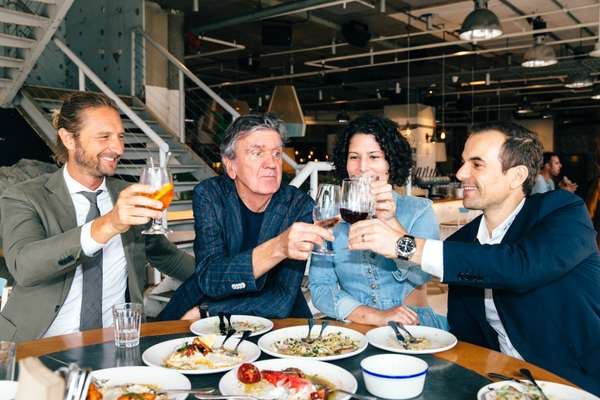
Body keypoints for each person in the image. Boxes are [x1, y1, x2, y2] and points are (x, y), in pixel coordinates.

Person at [346, 121, 600, 395]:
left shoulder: (562, 211)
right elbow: (466, 333)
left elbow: (517, 267)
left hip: (577, 381)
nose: (460, 172)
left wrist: (404, 245)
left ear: (516, 176)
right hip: (500, 383)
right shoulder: (462, 242)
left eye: (476, 164)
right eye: (463, 161)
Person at [0, 92, 195, 342]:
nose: (118, 149)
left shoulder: (125, 196)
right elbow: (25, 266)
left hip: (115, 343)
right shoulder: (25, 196)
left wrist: (236, 276)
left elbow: (168, 258)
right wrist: (109, 224)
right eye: (104, 137)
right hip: (39, 344)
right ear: (69, 139)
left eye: (120, 137)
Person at [159, 113, 331, 320]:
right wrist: (278, 247)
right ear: (231, 166)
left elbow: (282, 298)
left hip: (271, 315)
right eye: (257, 153)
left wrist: (208, 311)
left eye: (277, 153)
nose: (271, 163)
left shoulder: (298, 206)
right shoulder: (210, 195)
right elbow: (210, 278)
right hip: (198, 301)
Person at [309, 114, 447, 329]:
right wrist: (374, 316)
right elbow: (321, 288)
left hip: (413, 325)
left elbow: (422, 276)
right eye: (354, 157)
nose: (363, 167)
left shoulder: (419, 210)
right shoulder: (332, 216)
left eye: (374, 156)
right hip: (357, 326)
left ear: (390, 162)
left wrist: (391, 222)